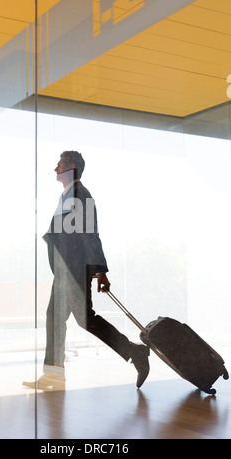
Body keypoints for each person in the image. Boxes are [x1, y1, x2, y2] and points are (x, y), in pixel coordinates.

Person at [23, 150, 149, 391]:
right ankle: (53, 375)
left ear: (71, 167)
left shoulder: (81, 195)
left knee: (85, 320)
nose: (55, 168)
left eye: (59, 163)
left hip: (73, 270)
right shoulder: (69, 195)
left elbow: (90, 235)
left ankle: (136, 352)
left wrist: (100, 271)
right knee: (56, 319)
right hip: (65, 271)